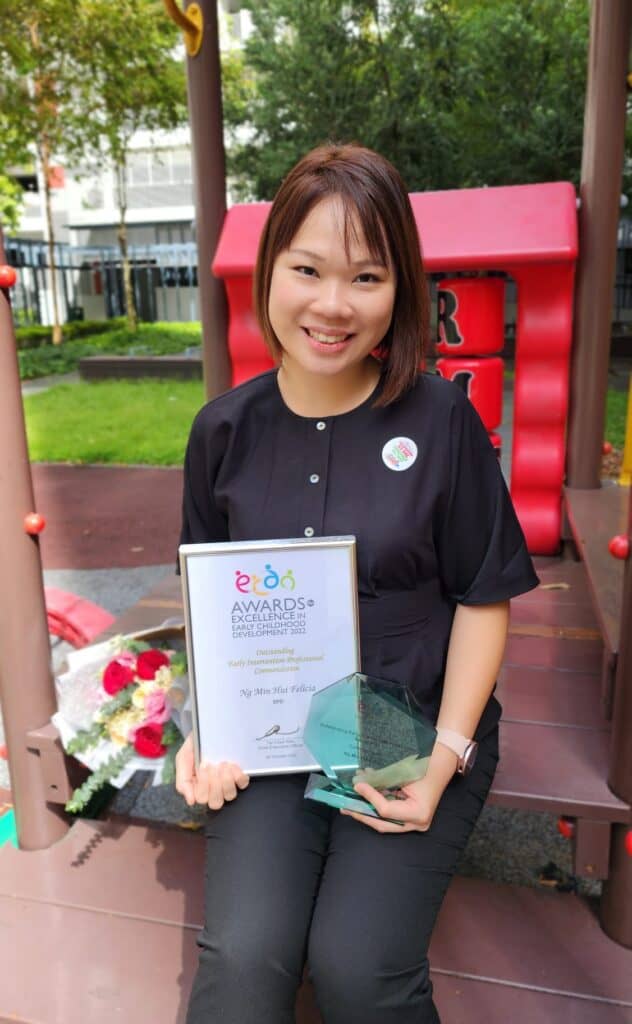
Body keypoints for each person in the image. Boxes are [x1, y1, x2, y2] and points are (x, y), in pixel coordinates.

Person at [175, 142, 539, 1024]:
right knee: (245, 958)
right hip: (269, 734)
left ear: (400, 291)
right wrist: (201, 725)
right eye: (308, 269)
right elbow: (210, 607)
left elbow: (484, 597)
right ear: (271, 272)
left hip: (407, 725)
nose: (334, 306)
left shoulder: (441, 417)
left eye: (367, 277)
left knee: (358, 968)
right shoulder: (224, 429)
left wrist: (446, 758)